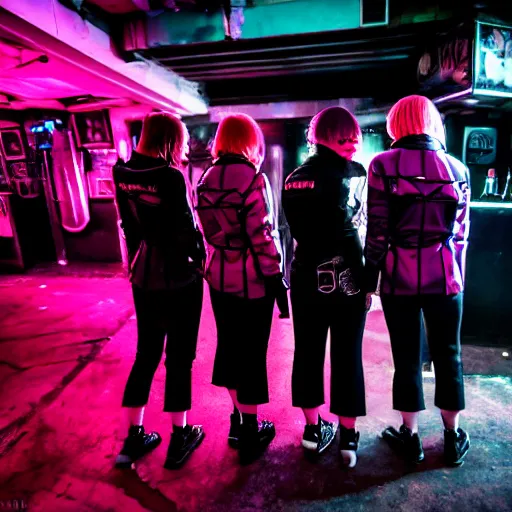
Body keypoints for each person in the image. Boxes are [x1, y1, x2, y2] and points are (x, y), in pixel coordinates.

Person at [365, 95, 471, 467]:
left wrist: (369, 278)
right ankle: (453, 437)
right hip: (445, 275)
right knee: (449, 354)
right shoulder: (457, 168)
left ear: (397, 123)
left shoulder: (382, 165)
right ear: (432, 122)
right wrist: (457, 277)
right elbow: (461, 236)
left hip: (399, 275)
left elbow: (376, 231)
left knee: (406, 356)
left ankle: (410, 437)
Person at [113, 112, 205, 470]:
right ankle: (180, 436)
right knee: (180, 356)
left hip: (144, 272)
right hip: (179, 276)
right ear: (170, 140)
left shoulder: (122, 172)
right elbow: (186, 230)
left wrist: (135, 263)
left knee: (146, 353)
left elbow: (128, 225)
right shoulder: (170, 176)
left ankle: (133, 438)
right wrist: (201, 259)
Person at [282, 107, 370, 468]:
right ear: (332, 137)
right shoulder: (355, 173)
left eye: (354, 139)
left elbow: (298, 231)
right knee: (348, 354)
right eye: (346, 138)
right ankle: (347, 436)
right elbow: (353, 231)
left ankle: (312, 430)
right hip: (346, 275)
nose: (352, 144)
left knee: (307, 352)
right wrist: (364, 282)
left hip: (305, 275)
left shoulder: (293, 178)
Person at [196, 113, 283, 465]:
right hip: (252, 280)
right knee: (251, 354)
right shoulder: (253, 179)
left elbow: (208, 232)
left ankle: (238, 418)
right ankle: (250, 430)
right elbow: (264, 235)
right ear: (251, 141)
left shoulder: (204, 179)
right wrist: (277, 276)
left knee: (230, 347)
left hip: (218, 275)